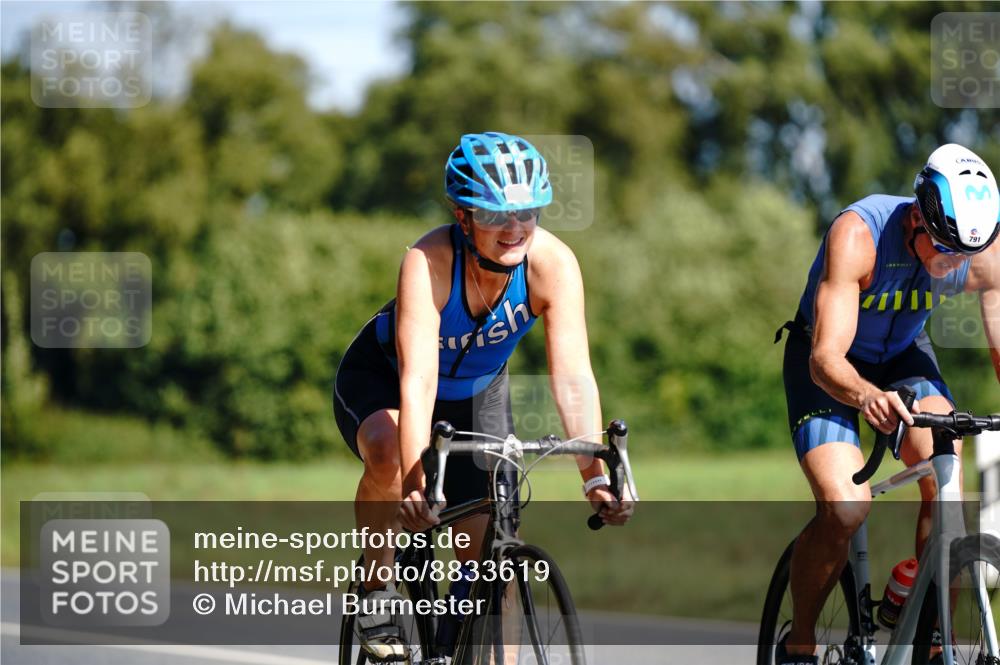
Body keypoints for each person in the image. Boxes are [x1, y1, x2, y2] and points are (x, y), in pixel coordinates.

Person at [333, 131, 634, 660]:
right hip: (386, 379)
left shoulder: (553, 265)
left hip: (478, 392)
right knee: (390, 444)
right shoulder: (427, 261)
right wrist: (413, 482)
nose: (515, 229)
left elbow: (572, 376)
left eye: (528, 214)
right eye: (496, 215)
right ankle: (377, 588)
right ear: (463, 215)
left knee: (490, 550)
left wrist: (595, 474)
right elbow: (419, 378)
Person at [775, 143, 1000, 664]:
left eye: (964, 255)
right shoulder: (858, 235)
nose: (952, 267)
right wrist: (867, 397)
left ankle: (928, 632)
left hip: (903, 357)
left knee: (946, 476)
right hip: (828, 361)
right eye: (942, 249)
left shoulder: (976, 252)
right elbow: (825, 358)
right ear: (917, 216)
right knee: (846, 507)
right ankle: (801, 641)